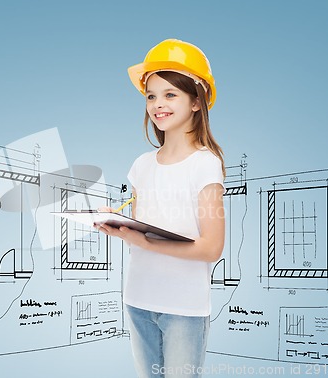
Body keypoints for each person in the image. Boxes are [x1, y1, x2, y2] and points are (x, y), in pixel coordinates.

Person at [95, 39, 226, 377]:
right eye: (151, 95)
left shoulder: (205, 165)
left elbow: (211, 248)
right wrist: (117, 223)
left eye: (170, 95)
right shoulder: (141, 165)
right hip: (138, 298)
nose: (157, 104)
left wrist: (145, 242)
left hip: (183, 307)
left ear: (196, 102)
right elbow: (145, 227)